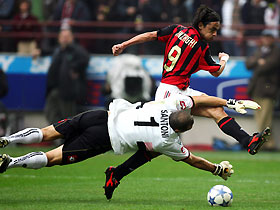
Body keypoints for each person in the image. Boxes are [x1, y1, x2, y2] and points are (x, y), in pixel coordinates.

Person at [0, 95, 264, 192]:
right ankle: (10, 163)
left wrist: (228, 101)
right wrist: (217, 169)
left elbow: (199, 100)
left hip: (101, 115)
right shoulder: (167, 142)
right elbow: (193, 160)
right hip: (102, 139)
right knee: (53, 157)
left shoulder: (167, 104)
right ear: (183, 130)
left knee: (47, 132)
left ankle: (7, 140)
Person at [112, 4, 268, 155]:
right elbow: (216, 72)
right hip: (170, 93)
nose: (214, 34)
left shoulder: (176, 30)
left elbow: (151, 35)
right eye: (212, 30)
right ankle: (118, 155)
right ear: (201, 25)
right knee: (160, 143)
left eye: (216, 31)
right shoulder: (201, 47)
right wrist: (224, 59)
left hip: (177, 89)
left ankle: (248, 141)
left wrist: (124, 44)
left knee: (216, 110)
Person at [44, 28, 89, 124]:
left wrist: (74, 68)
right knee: (51, 111)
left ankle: (67, 137)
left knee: (68, 117)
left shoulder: (77, 50)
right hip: (55, 88)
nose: (65, 39)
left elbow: (85, 59)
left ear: (72, 38)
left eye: (67, 37)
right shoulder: (57, 51)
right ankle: (56, 134)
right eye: (62, 37)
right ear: (59, 38)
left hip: (69, 90)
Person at [245, 30, 280, 150]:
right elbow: (248, 64)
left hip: (269, 89)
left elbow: (269, 66)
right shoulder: (260, 51)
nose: (267, 39)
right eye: (265, 37)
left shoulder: (276, 51)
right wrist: (258, 62)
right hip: (257, 89)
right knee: (260, 117)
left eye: (269, 37)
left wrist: (258, 63)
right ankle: (266, 143)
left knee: (265, 118)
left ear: (273, 39)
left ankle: (263, 143)